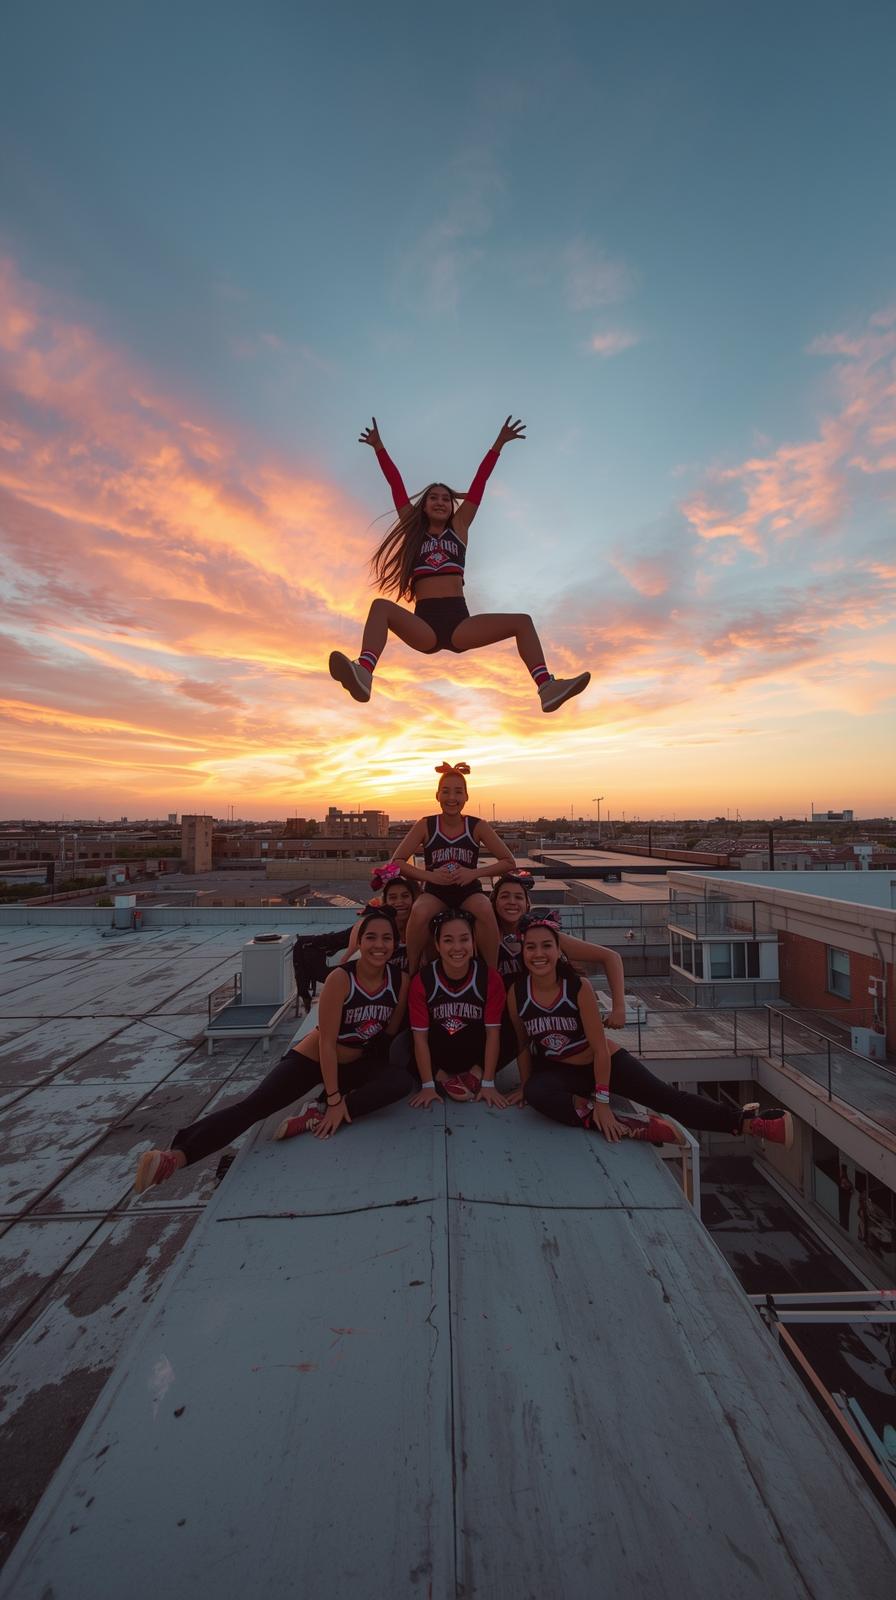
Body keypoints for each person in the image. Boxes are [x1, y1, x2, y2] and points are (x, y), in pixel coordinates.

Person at [133, 908, 411, 1192]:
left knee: (401, 1082)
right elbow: (326, 1043)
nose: (379, 945)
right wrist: (335, 1097)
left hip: (354, 1062)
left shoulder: (399, 981)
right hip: (312, 1060)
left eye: (387, 938)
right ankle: (175, 1157)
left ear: (396, 942)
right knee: (256, 1106)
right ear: (359, 942)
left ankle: (317, 1114)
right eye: (371, 937)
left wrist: (349, 1095)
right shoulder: (341, 979)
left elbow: (386, 1037)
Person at [328, 416, 590, 714]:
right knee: (380, 607)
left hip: (459, 623)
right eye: (433, 498)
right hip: (424, 624)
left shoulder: (460, 526)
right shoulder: (414, 530)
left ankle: (547, 687)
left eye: (445, 498)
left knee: (522, 621)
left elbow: (480, 483)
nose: (440, 502)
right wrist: (379, 448)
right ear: (423, 505)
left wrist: (498, 444)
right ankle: (363, 672)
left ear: (453, 505)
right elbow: (396, 485)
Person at [506, 911, 794, 1147]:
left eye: (547, 946)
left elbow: (599, 1049)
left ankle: (750, 1124)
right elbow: (521, 1044)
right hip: (560, 1070)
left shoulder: (577, 987)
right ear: (523, 950)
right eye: (531, 947)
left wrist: (604, 1101)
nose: (538, 954)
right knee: (536, 1093)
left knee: (665, 1097)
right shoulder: (517, 992)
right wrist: (524, 1084)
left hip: (602, 1063)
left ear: (560, 951)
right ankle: (634, 1126)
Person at [391, 761, 515, 972]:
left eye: (458, 792)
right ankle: (412, 972)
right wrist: (430, 876)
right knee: (419, 911)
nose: (452, 798)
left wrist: (473, 873)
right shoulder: (425, 825)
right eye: (446, 792)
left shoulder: (477, 826)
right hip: (436, 891)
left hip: (467, 891)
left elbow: (508, 861)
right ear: (437, 795)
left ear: (466, 797)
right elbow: (396, 862)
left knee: (485, 909)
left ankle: (492, 973)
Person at [408, 909, 507, 1108]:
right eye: (448, 940)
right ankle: (443, 1078)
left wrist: (488, 1082)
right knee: (401, 1045)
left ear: (473, 942)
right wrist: (428, 1085)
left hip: (475, 1053)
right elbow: (420, 1037)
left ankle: (475, 1074)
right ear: (437, 945)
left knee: (512, 1030)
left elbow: (493, 1033)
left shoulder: (489, 977)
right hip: (440, 1055)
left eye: (464, 939)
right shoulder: (423, 980)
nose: (457, 947)